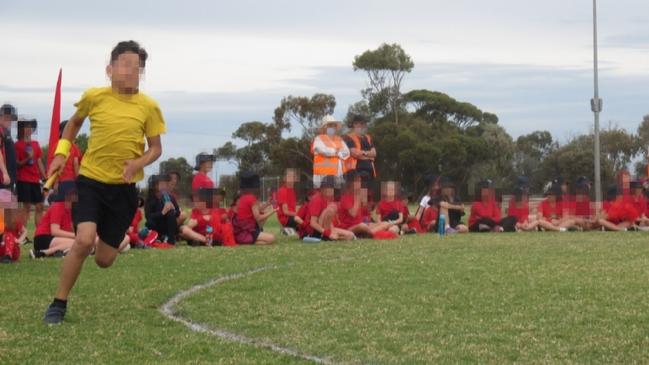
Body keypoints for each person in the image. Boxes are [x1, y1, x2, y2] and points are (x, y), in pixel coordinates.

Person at [43, 40, 166, 324]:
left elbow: (156, 148)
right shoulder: (94, 97)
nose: (132, 72)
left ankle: (102, 244)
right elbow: (73, 124)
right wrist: (61, 153)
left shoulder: (148, 107)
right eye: (125, 65)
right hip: (91, 182)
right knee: (84, 240)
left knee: (104, 259)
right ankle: (58, 304)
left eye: (138, 68)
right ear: (109, 69)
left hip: (123, 191)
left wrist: (138, 163)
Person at [337, 173, 397, 238]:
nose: (360, 184)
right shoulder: (345, 197)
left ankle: (369, 233)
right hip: (349, 228)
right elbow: (353, 213)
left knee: (385, 223)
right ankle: (371, 233)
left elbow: (366, 212)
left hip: (362, 223)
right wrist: (358, 199)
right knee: (363, 226)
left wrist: (369, 205)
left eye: (360, 181)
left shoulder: (358, 195)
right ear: (350, 183)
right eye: (357, 181)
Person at [302, 176, 355, 241]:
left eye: (333, 189)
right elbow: (312, 223)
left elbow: (329, 221)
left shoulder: (326, 200)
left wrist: (332, 231)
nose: (332, 191)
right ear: (323, 188)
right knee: (332, 207)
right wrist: (327, 233)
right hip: (313, 232)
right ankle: (326, 236)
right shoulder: (317, 200)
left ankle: (331, 238)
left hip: (324, 228)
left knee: (350, 235)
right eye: (331, 188)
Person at [31, 185, 77, 258]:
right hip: (42, 238)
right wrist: (76, 236)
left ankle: (60, 252)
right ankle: (43, 253)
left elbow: (69, 231)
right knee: (76, 243)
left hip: (53, 239)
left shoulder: (71, 210)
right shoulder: (58, 206)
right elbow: (55, 231)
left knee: (80, 244)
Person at [15, 118, 46, 226]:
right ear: (21, 129)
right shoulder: (17, 145)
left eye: (30, 127)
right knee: (26, 207)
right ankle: (21, 235)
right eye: (26, 127)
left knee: (40, 206)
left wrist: (44, 177)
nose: (28, 129)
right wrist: (28, 158)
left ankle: (39, 235)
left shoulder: (36, 144)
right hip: (23, 180)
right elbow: (17, 164)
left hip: (35, 180)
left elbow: (39, 161)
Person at [232, 172, 275, 245]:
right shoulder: (251, 198)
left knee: (263, 213)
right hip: (247, 231)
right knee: (271, 238)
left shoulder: (243, 197)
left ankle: (249, 241)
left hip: (240, 232)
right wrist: (272, 211)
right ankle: (249, 241)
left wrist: (267, 204)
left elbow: (255, 210)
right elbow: (258, 217)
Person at [311, 115, 349, 188]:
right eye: (330, 125)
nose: (333, 127)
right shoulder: (318, 138)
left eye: (334, 125)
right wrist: (336, 152)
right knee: (325, 197)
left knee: (338, 197)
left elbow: (347, 152)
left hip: (340, 175)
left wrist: (337, 153)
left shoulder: (339, 139)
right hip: (323, 176)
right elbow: (323, 150)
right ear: (325, 127)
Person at [145, 174, 180, 244]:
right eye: (162, 184)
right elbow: (148, 216)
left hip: (167, 225)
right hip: (156, 225)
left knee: (171, 214)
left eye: (166, 184)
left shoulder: (170, 197)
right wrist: (162, 213)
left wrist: (174, 211)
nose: (164, 186)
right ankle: (156, 237)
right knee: (149, 222)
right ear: (155, 186)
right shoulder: (150, 199)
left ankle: (171, 239)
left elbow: (178, 213)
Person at [343, 115, 376, 186]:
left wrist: (363, 153)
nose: (363, 126)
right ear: (354, 124)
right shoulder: (348, 137)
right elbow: (354, 154)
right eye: (361, 123)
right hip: (356, 172)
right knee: (359, 194)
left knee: (369, 195)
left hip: (370, 172)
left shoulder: (368, 137)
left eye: (363, 124)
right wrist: (369, 155)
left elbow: (374, 153)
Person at [277, 168, 304, 236]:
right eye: (289, 176)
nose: (291, 178)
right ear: (284, 178)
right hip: (286, 219)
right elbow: (285, 212)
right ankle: (288, 229)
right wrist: (298, 214)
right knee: (300, 219)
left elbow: (292, 208)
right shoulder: (282, 191)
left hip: (292, 217)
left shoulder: (292, 191)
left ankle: (288, 230)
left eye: (293, 176)